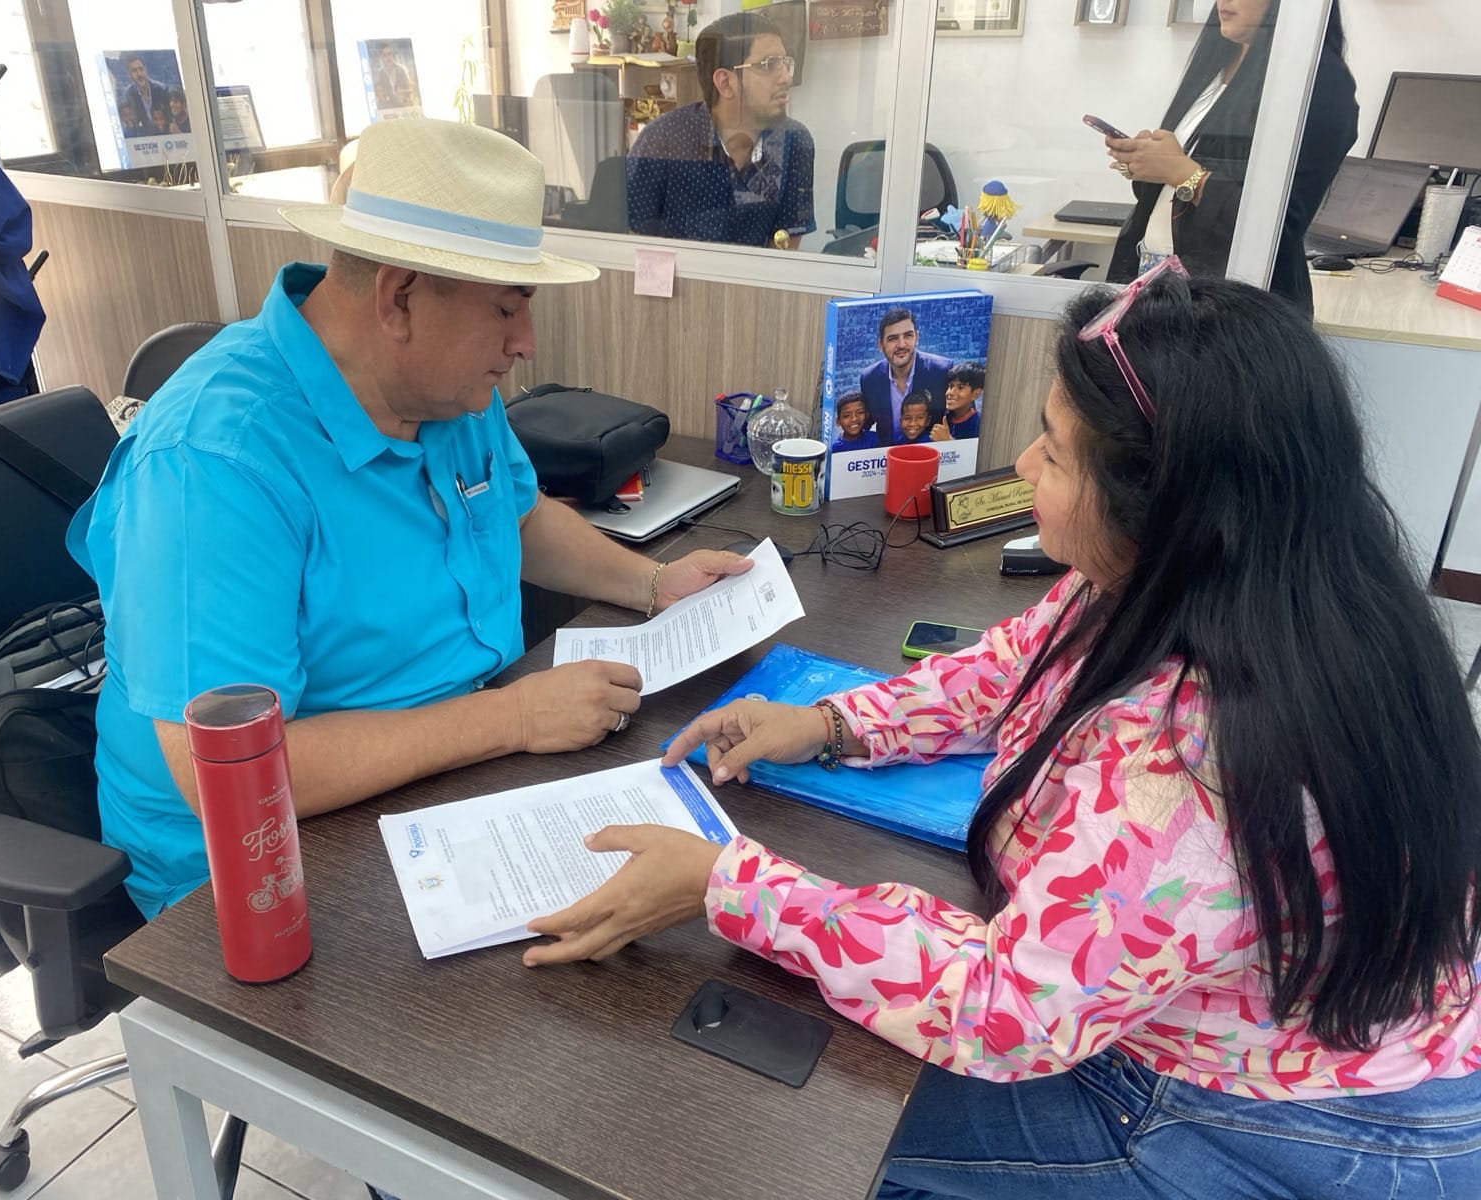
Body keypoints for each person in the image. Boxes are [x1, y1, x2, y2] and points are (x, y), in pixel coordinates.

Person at [521, 262, 1481, 1196]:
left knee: (800, 1129)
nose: (1021, 467)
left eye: (1053, 455)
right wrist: (830, 722)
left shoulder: (1199, 766)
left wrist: (727, 885)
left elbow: (1003, 1008)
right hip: (1254, 1023)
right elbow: (1010, 669)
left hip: (1275, 1120)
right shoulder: (1208, 580)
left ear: (1164, 507)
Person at [66, 117, 750, 919]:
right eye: (507, 309)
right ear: (398, 299)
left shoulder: (446, 390)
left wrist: (654, 584)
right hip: (260, 868)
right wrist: (512, 717)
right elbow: (233, 772)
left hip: (454, 771)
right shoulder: (214, 462)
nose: (526, 343)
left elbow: (516, 516)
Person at [1104, 0, 1357, 314]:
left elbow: (1283, 222)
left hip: (1231, 306)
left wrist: (1182, 172)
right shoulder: (1219, 63)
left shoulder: (1319, 80)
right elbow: (1185, 186)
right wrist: (1149, 161)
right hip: (1158, 282)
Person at [625, 13, 814, 248]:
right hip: (678, 271)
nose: (786, 78)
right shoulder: (663, 140)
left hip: (755, 271)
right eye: (770, 65)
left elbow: (786, 241)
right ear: (725, 83)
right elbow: (629, 237)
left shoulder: (794, 141)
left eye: (785, 64)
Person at [859, 307, 951, 447]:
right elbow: (864, 424)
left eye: (908, 335)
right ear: (880, 345)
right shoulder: (869, 378)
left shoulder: (942, 371)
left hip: (928, 454)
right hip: (887, 456)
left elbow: (963, 419)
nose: (901, 345)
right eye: (893, 338)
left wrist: (949, 442)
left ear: (917, 337)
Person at [118, 54, 170, 138]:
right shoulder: (129, 94)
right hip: (144, 137)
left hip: (164, 135)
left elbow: (169, 118)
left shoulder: (161, 89)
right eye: (134, 71)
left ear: (145, 70)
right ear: (129, 75)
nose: (139, 74)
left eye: (141, 69)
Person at [930, 362, 984, 441]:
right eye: (950, 386)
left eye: (960, 387)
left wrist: (948, 441)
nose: (950, 392)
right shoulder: (944, 416)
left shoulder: (979, 424)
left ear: (975, 394)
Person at [372, 42, 416, 113]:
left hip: (404, 104)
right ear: (382, 58)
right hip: (390, 107)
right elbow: (381, 93)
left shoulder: (402, 69)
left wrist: (408, 102)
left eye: (389, 54)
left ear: (393, 55)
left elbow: (409, 89)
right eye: (384, 55)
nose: (388, 58)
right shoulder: (381, 73)